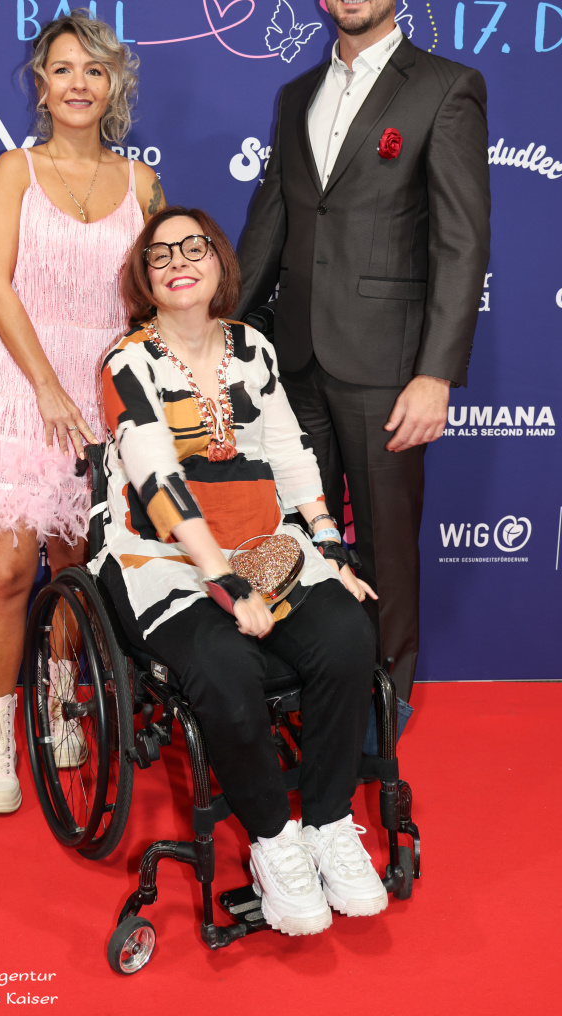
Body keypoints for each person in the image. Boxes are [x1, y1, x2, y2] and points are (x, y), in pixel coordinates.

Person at [92, 206, 387, 936]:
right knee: (225, 667)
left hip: (265, 543)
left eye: (194, 248)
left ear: (221, 262)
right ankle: (274, 842)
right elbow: (156, 479)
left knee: (348, 633)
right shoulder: (127, 363)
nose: (179, 262)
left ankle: (327, 823)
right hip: (162, 558)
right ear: (144, 279)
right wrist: (221, 579)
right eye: (161, 255)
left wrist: (328, 544)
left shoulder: (252, 347)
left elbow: (288, 450)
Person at [236, 0, 491, 702]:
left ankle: (383, 714)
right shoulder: (296, 95)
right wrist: (218, 338)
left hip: (388, 370)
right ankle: (310, 695)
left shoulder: (446, 89)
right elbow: (269, 228)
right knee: (292, 538)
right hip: (294, 363)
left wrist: (435, 375)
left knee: (384, 551)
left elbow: (461, 243)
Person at [0, 12, 165, 814]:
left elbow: (154, 294)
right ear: (41, 86)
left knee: (75, 568)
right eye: (63, 69)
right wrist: (44, 384)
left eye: (94, 70)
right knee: (8, 569)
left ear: (114, 87)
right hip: (22, 385)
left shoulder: (142, 183)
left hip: (102, 391)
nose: (78, 83)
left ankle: (60, 698)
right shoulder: (16, 170)